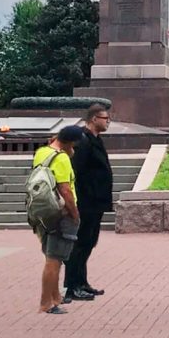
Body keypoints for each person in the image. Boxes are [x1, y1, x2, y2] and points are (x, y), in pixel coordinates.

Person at [63, 105, 113, 303]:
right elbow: (77, 172)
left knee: (89, 242)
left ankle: (82, 282)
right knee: (80, 243)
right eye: (105, 118)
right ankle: (72, 287)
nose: (108, 122)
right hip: (86, 202)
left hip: (96, 202)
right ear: (94, 119)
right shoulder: (83, 141)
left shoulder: (96, 140)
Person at [33, 125, 83, 314]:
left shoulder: (42, 152)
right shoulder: (61, 158)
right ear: (71, 142)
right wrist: (74, 213)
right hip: (61, 213)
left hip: (43, 212)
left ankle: (55, 297)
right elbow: (65, 189)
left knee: (52, 256)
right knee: (54, 260)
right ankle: (46, 303)